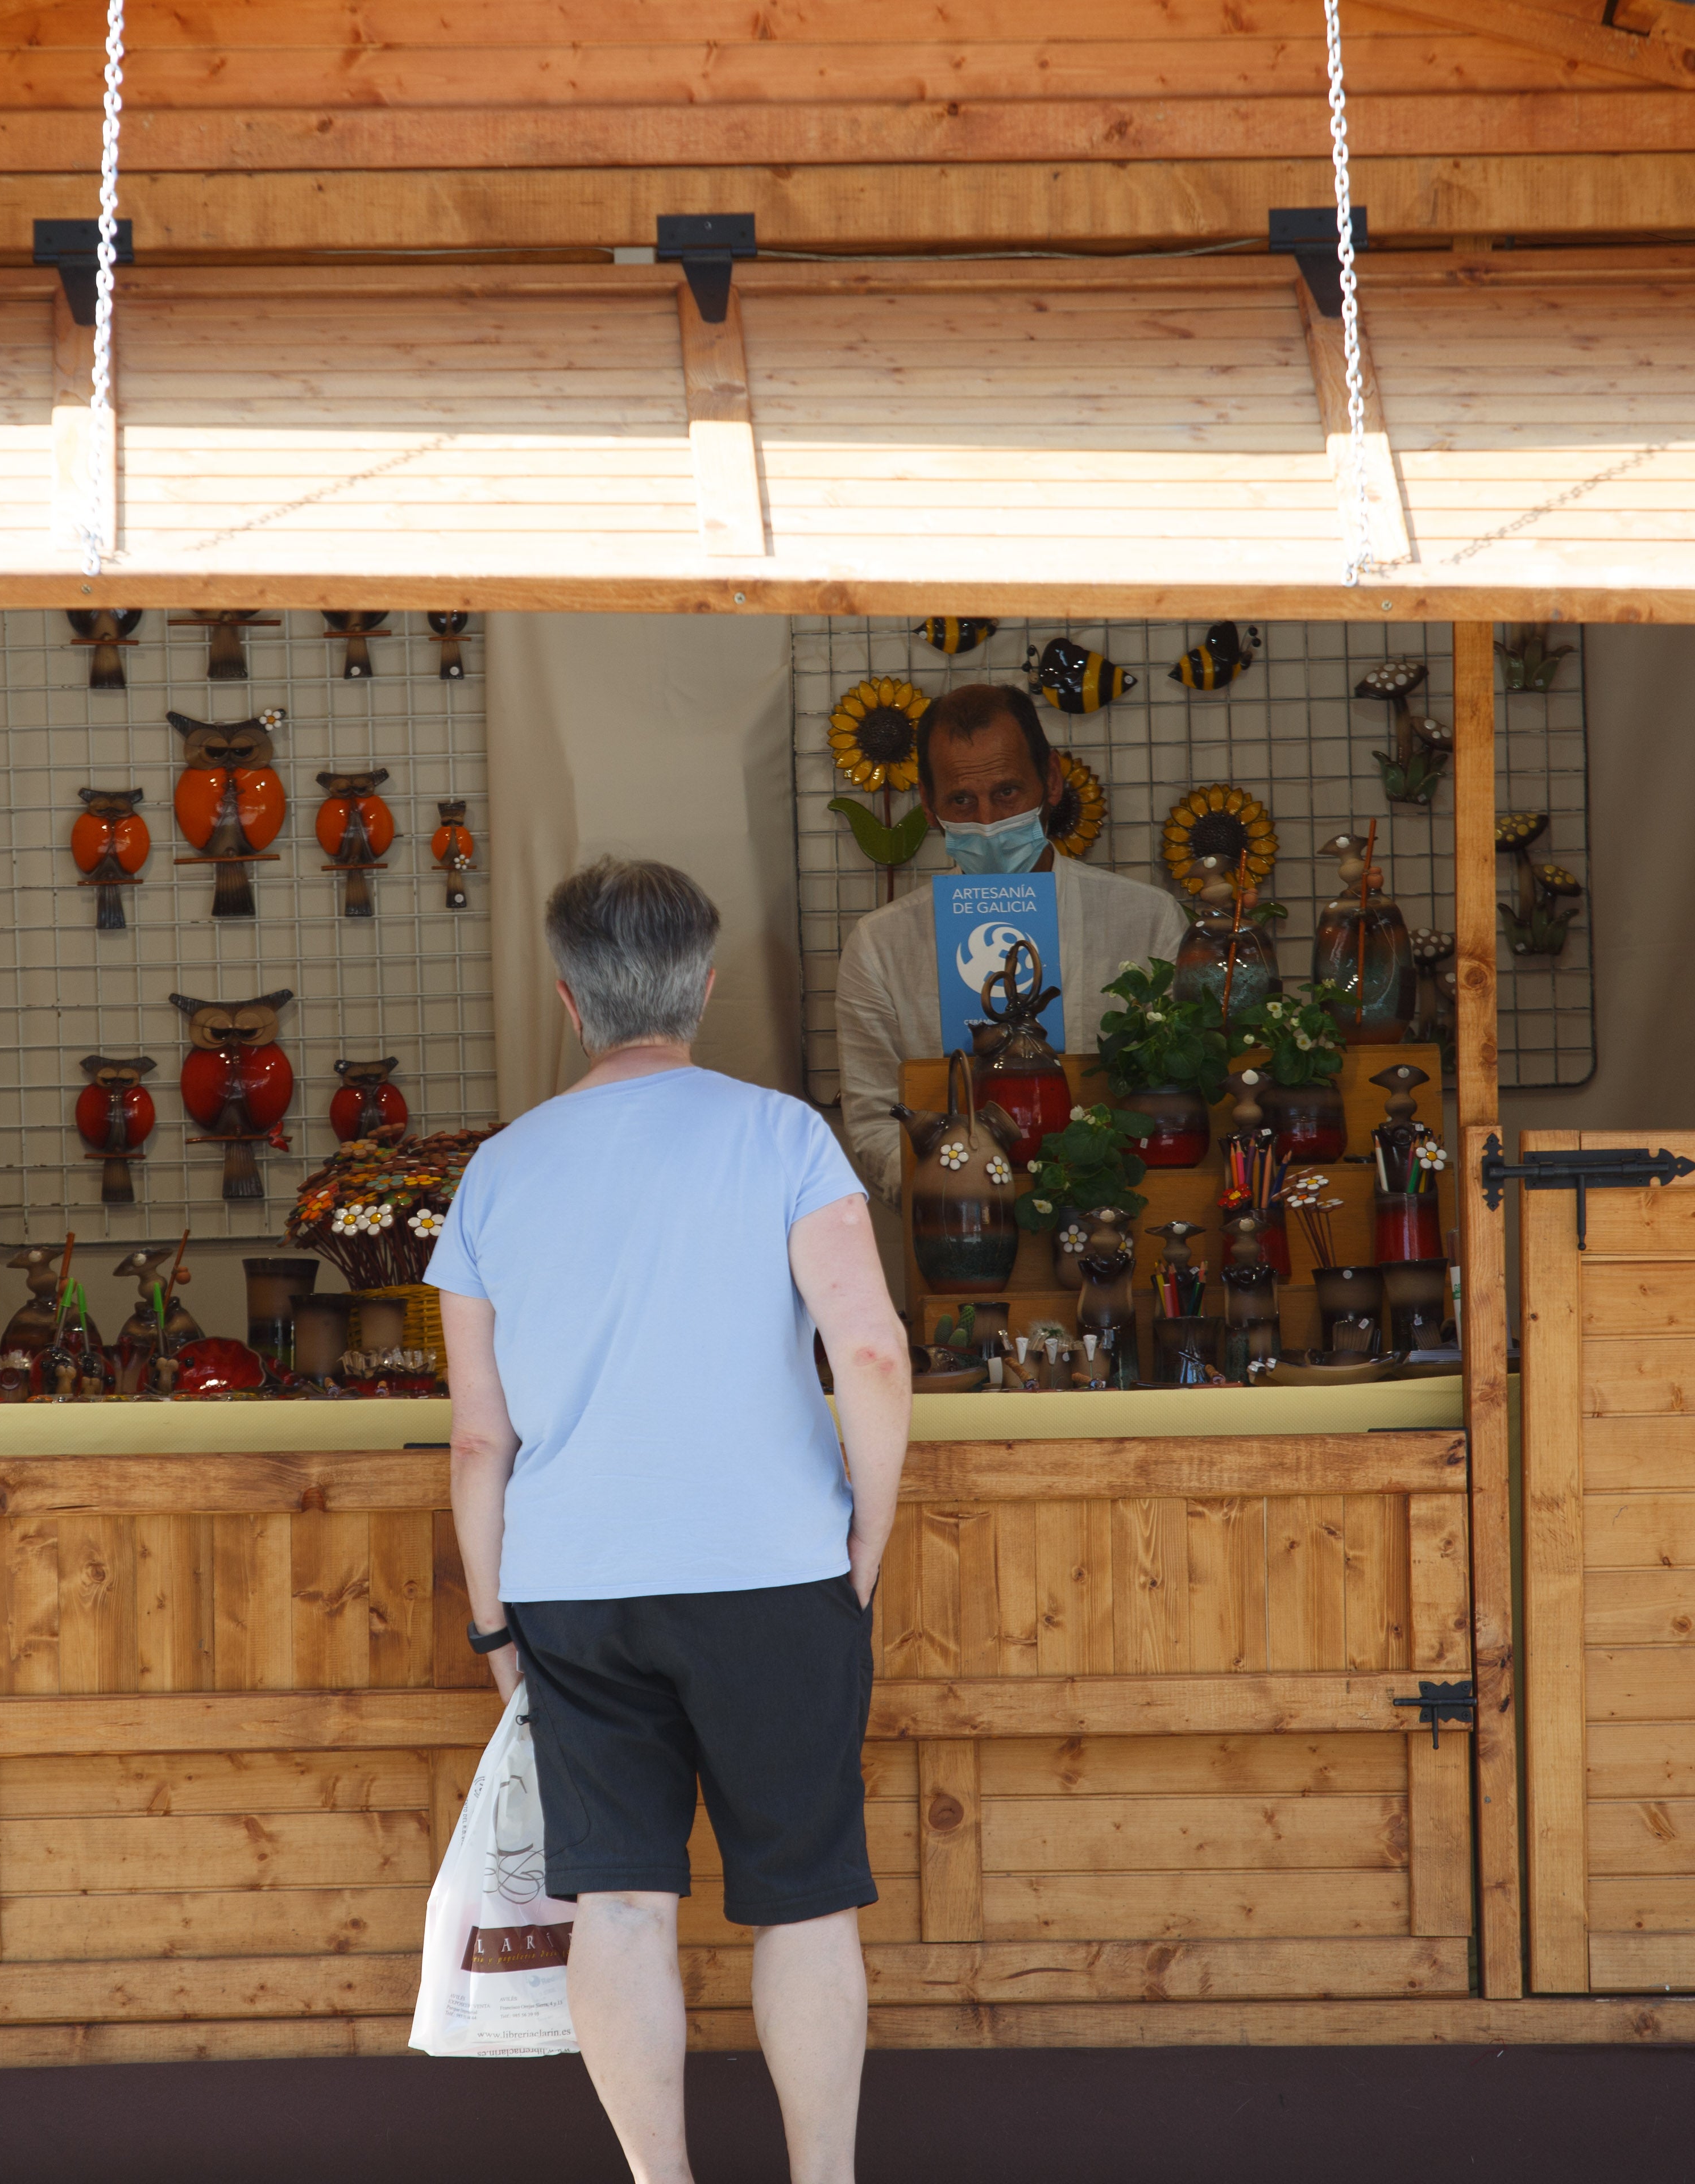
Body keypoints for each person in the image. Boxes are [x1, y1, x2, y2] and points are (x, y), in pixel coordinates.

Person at [433, 858, 911, 2184]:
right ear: (700, 988)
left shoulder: (496, 1172)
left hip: (574, 1582)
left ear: (568, 1000)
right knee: (803, 1902)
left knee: (622, 1903)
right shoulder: (780, 1137)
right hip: (773, 1572)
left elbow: (480, 1434)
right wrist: (864, 1532)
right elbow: (865, 1353)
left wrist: (491, 1622)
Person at [831, 681, 1184, 1203]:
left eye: (1006, 793)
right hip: (962, 1230)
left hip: (1116, 1217)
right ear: (929, 807)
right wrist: (957, 1197)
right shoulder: (881, 946)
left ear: (1051, 781)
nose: (990, 824)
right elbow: (874, 1122)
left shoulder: (1147, 920)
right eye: (961, 800)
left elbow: (1180, 1092)